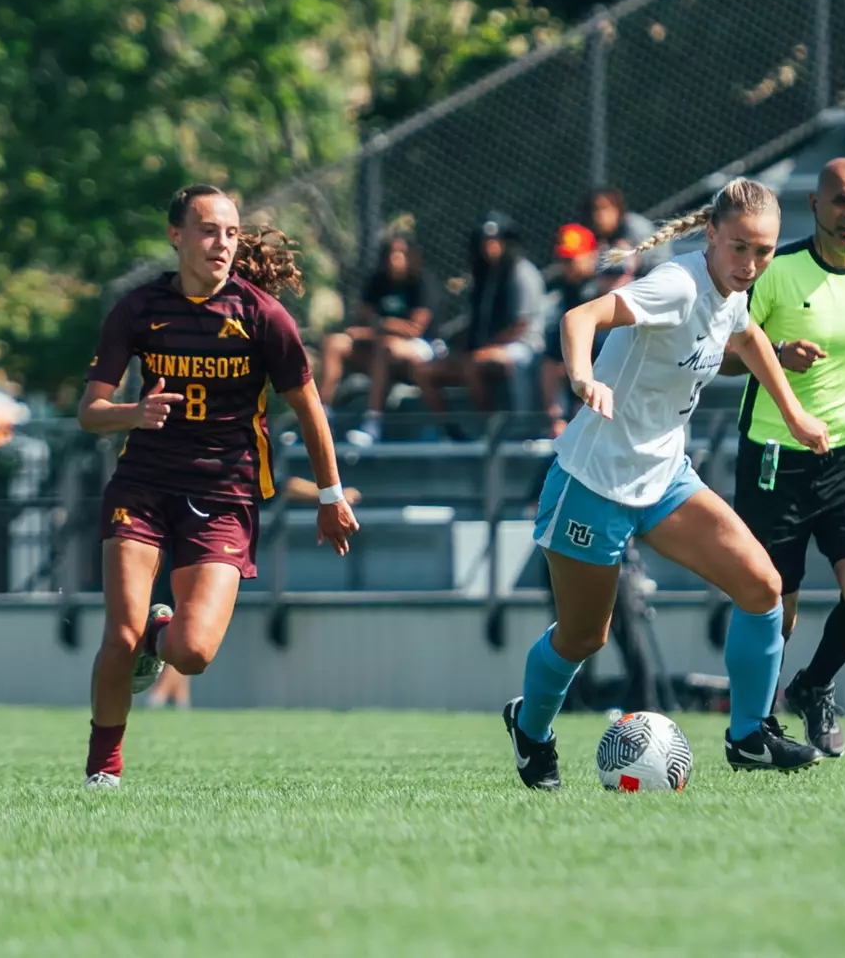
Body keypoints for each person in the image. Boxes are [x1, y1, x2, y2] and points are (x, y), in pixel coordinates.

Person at [502, 178, 832, 790]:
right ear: (710, 234)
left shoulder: (733, 288)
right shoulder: (679, 284)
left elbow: (745, 337)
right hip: (593, 483)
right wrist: (581, 379)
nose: (752, 264)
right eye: (740, 249)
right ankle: (531, 729)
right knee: (583, 637)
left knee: (762, 587)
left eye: (764, 252)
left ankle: (750, 735)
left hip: (664, 480)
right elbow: (581, 315)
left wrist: (793, 411)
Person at [78, 183, 360, 788]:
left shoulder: (261, 315)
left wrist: (332, 495)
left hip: (224, 493)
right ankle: (104, 770)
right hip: (143, 486)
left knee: (192, 653)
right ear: (176, 236)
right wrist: (134, 413)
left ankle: (160, 631)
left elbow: (310, 409)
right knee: (119, 634)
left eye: (231, 233)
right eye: (209, 231)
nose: (222, 244)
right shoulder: (138, 309)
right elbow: (89, 410)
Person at [714, 158, 845, 757]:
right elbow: (719, 354)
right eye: (840, 202)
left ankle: (814, 685)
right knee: (776, 609)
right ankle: (754, 724)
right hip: (776, 459)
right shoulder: (774, 273)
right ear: (815, 206)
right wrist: (772, 354)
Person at [414, 213, 545, 429]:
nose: (489, 247)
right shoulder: (483, 274)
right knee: (424, 370)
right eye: (485, 241)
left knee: (472, 365)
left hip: (522, 347)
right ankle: (450, 432)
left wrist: (482, 350)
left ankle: (490, 429)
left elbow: (520, 326)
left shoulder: (522, 272)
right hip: (484, 350)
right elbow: (473, 322)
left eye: (495, 240)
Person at [319, 235, 434, 445]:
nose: (394, 258)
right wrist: (379, 328)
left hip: (416, 351)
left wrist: (381, 325)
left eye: (400, 253)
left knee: (385, 347)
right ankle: (322, 416)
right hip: (377, 344)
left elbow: (414, 329)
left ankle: (373, 422)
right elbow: (364, 319)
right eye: (390, 253)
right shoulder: (377, 281)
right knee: (335, 342)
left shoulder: (420, 282)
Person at [540, 222, 607, 438]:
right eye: (563, 260)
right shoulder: (565, 292)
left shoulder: (605, 287)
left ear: (592, 255)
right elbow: (552, 357)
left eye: (572, 259)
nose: (567, 265)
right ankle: (555, 419)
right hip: (576, 387)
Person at [582, 187, 662, 272]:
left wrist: (633, 258)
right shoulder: (590, 232)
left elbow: (657, 261)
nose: (600, 215)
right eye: (595, 210)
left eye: (605, 208)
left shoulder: (636, 227)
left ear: (618, 209)